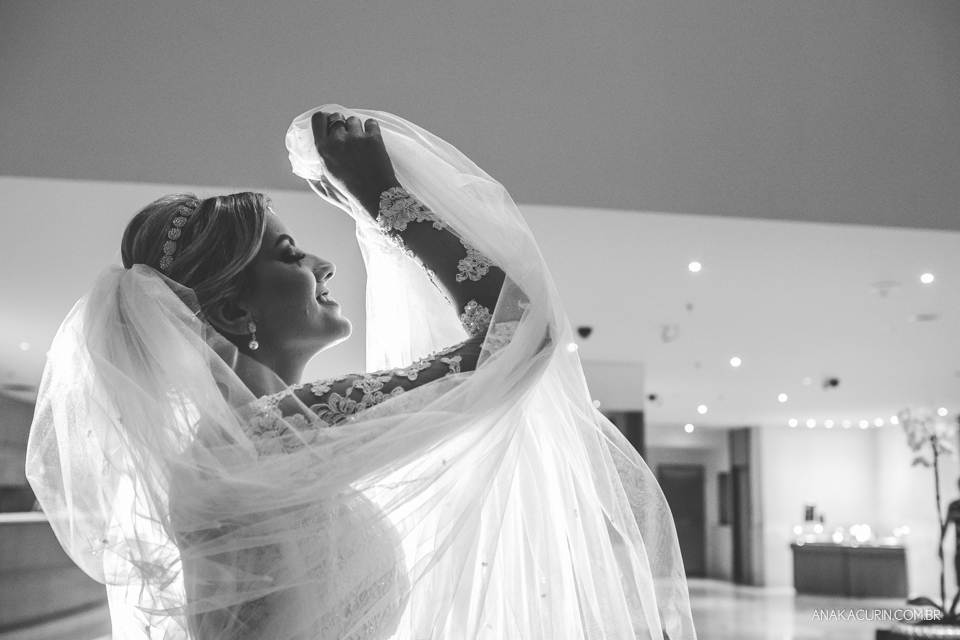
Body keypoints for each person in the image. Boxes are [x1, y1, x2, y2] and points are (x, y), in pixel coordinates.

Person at [26, 106, 696, 639]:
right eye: (290, 254)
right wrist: (385, 199)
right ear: (232, 309)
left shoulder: (249, 448)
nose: (323, 265)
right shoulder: (278, 434)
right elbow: (518, 332)